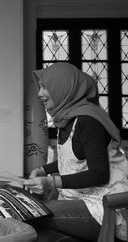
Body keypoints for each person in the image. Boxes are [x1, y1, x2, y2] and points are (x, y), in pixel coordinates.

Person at [23, 62, 128, 241]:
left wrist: (50, 181)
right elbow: (72, 159)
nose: (39, 93)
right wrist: (43, 170)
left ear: (62, 88)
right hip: (80, 200)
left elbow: (99, 174)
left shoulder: (88, 121)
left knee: (33, 213)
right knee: (36, 223)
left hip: (105, 206)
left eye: (44, 87)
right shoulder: (66, 118)